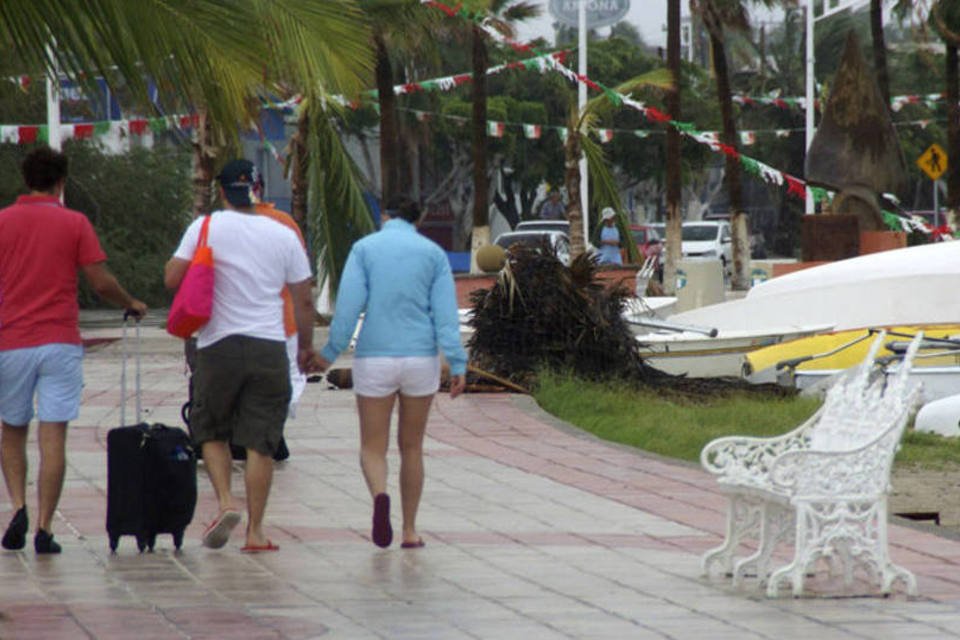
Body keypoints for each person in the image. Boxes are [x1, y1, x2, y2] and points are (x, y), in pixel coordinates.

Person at [164, 159, 318, 553]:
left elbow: (171, 278)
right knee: (261, 441)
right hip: (269, 346)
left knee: (210, 429)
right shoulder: (282, 233)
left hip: (217, 346)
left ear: (221, 192)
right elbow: (303, 297)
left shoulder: (206, 227)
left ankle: (227, 503)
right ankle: (256, 532)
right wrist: (304, 347)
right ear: (258, 189)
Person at [0, 146, 147, 554]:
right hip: (60, 342)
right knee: (54, 437)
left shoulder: (3, 222)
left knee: (12, 430)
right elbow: (100, 282)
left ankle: (17, 507)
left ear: (26, 180)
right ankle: (45, 527)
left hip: (10, 342)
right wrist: (130, 302)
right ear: (61, 182)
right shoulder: (74, 223)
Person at [316, 195, 467, 549]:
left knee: (373, 447)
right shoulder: (433, 254)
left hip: (375, 358)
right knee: (412, 448)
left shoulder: (364, 249)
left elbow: (349, 309)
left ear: (383, 215)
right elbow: (446, 316)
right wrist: (458, 364)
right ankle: (410, 530)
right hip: (420, 360)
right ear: (421, 217)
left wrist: (328, 354)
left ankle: (380, 496)